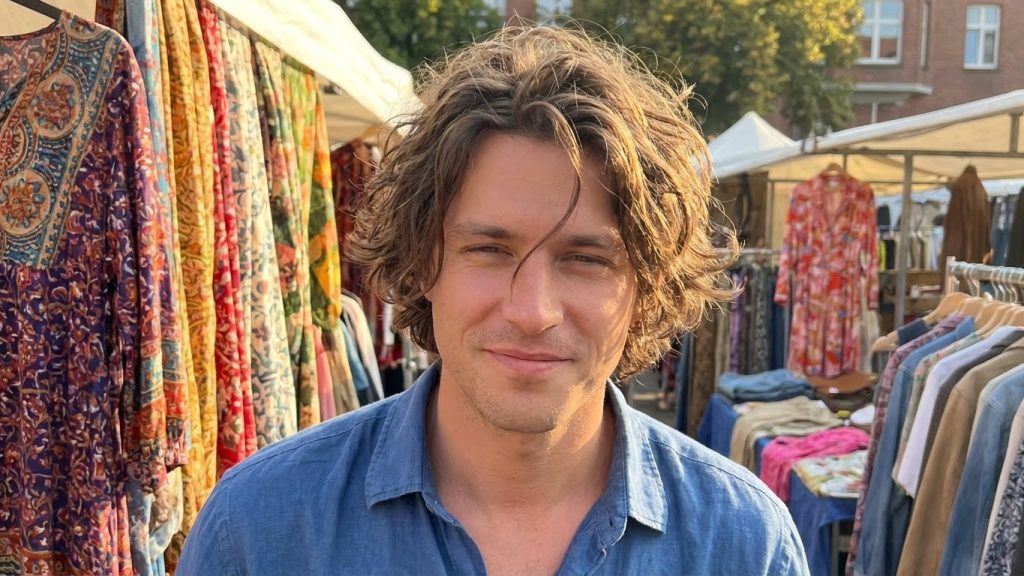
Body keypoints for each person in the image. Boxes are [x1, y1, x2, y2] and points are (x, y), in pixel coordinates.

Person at [178, 25, 809, 575]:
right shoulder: (259, 530)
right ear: (425, 261)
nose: (533, 310)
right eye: (489, 250)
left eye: (586, 260)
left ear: (646, 285)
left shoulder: (744, 544)